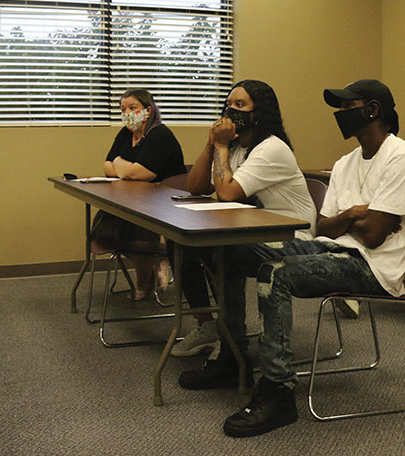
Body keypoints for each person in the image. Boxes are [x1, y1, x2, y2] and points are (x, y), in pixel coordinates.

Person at [218, 79, 405, 438]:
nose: (340, 115)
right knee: (229, 250)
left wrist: (352, 220)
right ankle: (231, 357)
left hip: (371, 266)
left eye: (347, 108)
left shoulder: (403, 157)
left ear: (373, 110)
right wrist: (354, 215)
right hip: (331, 248)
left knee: (277, 273)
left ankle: (279, 391)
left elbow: (376, 236)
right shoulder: (345, 162)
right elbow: (325, 227)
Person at [171, 80, 316, 365]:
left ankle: (231, 348)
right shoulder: (236, 147)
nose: (231, 110)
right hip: (255, 232)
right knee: (180, 243)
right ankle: (209, 325)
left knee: (222, 250)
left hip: (294, 239)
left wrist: (222, 144)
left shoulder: (271, 149)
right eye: (229, 104)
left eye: (240, 105)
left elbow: (226, 193)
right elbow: (196, 187)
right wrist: (211, 143)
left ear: (258, 113)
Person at [96, 89, 185, 300]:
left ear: (148, 110)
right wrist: (125, 168)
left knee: (133, 224)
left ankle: (146, 275)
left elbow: (142, 173)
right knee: (104, 227)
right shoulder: (126, 134)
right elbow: (107, 166)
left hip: (165, 201)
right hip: (134, 198)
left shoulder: (159, 134)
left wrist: (120, 164)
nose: (127, 113)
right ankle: (156, 260)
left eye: (132, 108)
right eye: (123, 109)